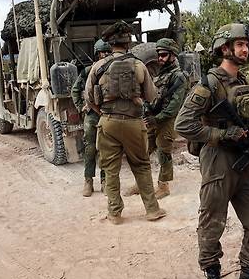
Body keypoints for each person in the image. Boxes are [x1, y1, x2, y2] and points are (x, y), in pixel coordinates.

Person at [175, 23, 249, 279]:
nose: (245, 49)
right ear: (225, 48)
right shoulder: (208, 85)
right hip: (218, 160)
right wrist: (221, 135)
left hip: (247, 161)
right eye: (239, 44)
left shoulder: (242, 82)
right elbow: (183, 124)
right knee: (212, 222)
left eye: (247, 44)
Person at [84, 21, 167, 224]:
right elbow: (151, 95)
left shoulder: (98, 67)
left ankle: (114, 213)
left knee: (110, 169)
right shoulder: (139, 65)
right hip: (133, 124)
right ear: (128, 43)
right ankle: (152, 210)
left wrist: (103, 113)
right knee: (141, 166)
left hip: (108, 123)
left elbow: (88, 99)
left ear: (110, 44)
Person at [124, 38, 188, 199]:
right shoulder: (161, 73)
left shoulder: (178, 76)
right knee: (144, 151)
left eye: (164, 55)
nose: (160, 58)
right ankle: (141, 183)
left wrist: (157, 118)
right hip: (153, 117)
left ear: (173, 55)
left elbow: (174, 105)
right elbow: (151, 95)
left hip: (166, 120)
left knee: (163, 151)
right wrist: (147, 111)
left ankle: (163, 186)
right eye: (159, 55)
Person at [72, 39, 113, 197]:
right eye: (102, 53)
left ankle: (104, 181)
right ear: (97, 54)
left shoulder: (113, 70)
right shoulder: (88, 71)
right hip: (91, 114)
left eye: (107, 52)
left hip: (107, 113)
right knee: (90, 148)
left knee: (105, 148)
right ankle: (88, 180)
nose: (105, 55)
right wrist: (80, 107)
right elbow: (75, 90)